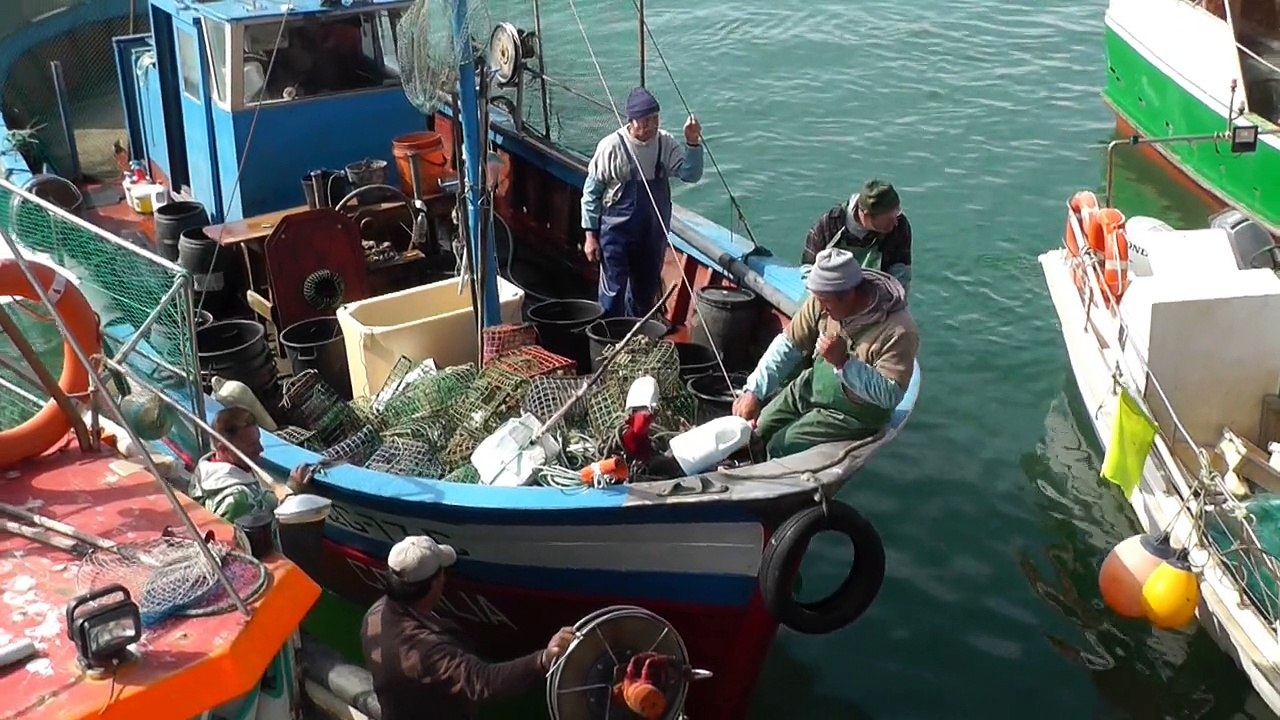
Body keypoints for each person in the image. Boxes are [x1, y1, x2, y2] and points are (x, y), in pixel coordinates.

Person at [361, 535, 577, 720]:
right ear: (435, 583)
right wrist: (542, 660)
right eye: (442, 572)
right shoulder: (424, 652)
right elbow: (483, 681)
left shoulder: (376, 612)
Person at [732, 248, 919, 458]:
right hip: (811, 386)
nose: (819, 306)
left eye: (825, 301)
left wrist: (844, 364)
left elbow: (890, 395)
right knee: (757, 432)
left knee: (781, 446)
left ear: (849, 294)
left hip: (854, 414)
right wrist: (754, 392)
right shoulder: (821, 300)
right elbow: (788, 344)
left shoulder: (898, 330)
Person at [581, 86, 704, 317]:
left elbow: (690, 174)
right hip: (616, 234)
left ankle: (638, 341)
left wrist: (693, 142)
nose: (651, 126)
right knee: (612, 291)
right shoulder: (611, 147)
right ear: (631, 121)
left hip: (653, 234)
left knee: (645, 293)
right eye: (644, 121)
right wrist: (590, 236)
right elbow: (591, 194)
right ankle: (609, 338)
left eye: (655, 119)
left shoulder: (664, 143)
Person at [189, 406, 308, 523]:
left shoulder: (202, 471)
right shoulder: (237, 501)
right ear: (224, 449)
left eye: (258, 441)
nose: (260, 449)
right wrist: (293, 491)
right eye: (251, 445)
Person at [800, 179, 913, 294]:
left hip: (877, 295)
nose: (895, 222)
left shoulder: (899, 227)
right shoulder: (829, 225)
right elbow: (808, 269)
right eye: (888, 218)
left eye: (896, 213)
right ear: (866, 215)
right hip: (832, 294)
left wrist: (893, 300)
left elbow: (901, 274)